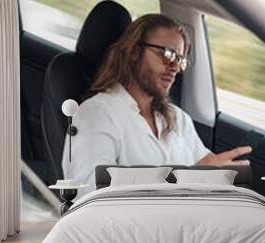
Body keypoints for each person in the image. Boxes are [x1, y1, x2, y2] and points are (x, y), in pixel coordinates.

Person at [62, 14, 252, 196]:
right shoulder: (96, 114)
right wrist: (190, 180)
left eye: (180, 60)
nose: (175, 67)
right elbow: (90, 196)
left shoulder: (178, 119)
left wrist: (219, 174)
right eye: (168, 54)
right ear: (134, 52)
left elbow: (204, 165)